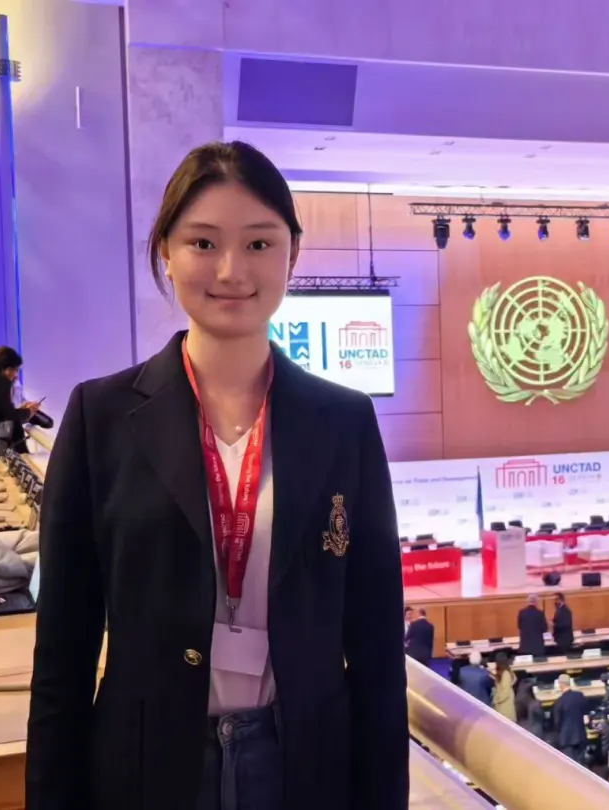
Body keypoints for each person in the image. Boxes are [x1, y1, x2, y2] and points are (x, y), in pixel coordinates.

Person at [25, 142, 408, 810]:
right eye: (203, 243)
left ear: (292, 252)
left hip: (305, 765)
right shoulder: (100, 418)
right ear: (166, 252)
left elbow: (376, 650)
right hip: (147, 769)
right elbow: (63, 652)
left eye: (259, 244)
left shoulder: (344, 422)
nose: (232, 270)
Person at [551, 674, 588, 762]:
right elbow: (586, 712)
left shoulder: (559, 702)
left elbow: (557, 722)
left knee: (570, 764)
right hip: (580, 736)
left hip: (566, 739)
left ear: (561, 685)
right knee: (580, 763)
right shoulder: (580, 696)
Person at [492, 652, 517, 722]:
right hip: (502, 705)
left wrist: (496, 700)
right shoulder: (502, 673)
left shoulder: (506, 674)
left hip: (505, 706)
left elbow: (506, 692)